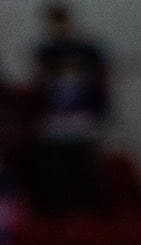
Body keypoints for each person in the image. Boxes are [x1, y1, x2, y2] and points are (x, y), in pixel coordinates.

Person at [30, 4, 110, 216]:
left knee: (84, 168)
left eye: (62, 23)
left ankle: (89, 213)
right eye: (55, 24)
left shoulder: (89, 52)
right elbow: (39, 87)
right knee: (54, 170)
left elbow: (100, 84)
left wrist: (99, 113)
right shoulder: (45, 53)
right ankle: (55, 212)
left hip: (82, 120)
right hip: (54, 122)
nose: (60, 28)